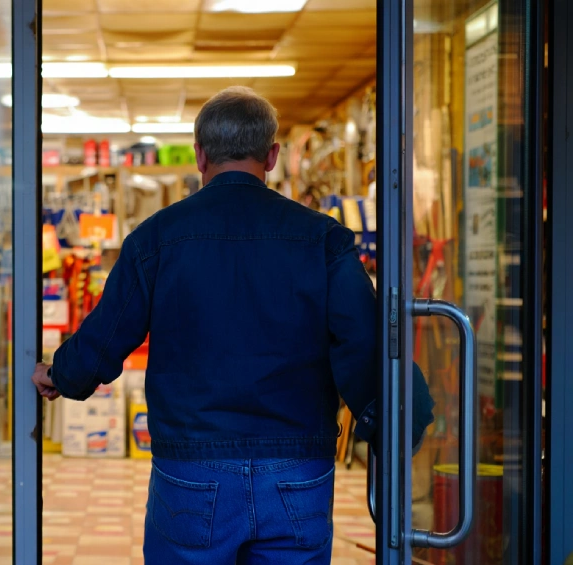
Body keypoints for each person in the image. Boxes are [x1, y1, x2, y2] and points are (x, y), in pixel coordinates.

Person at [31, 86, 433, 564]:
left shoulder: (155, 239)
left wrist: (62, 374)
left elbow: (108, 334)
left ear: (200, 155)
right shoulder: (323, 239)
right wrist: (392, 420)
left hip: (192, 468)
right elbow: (364, 339)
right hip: (296, 467)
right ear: (272, 156)